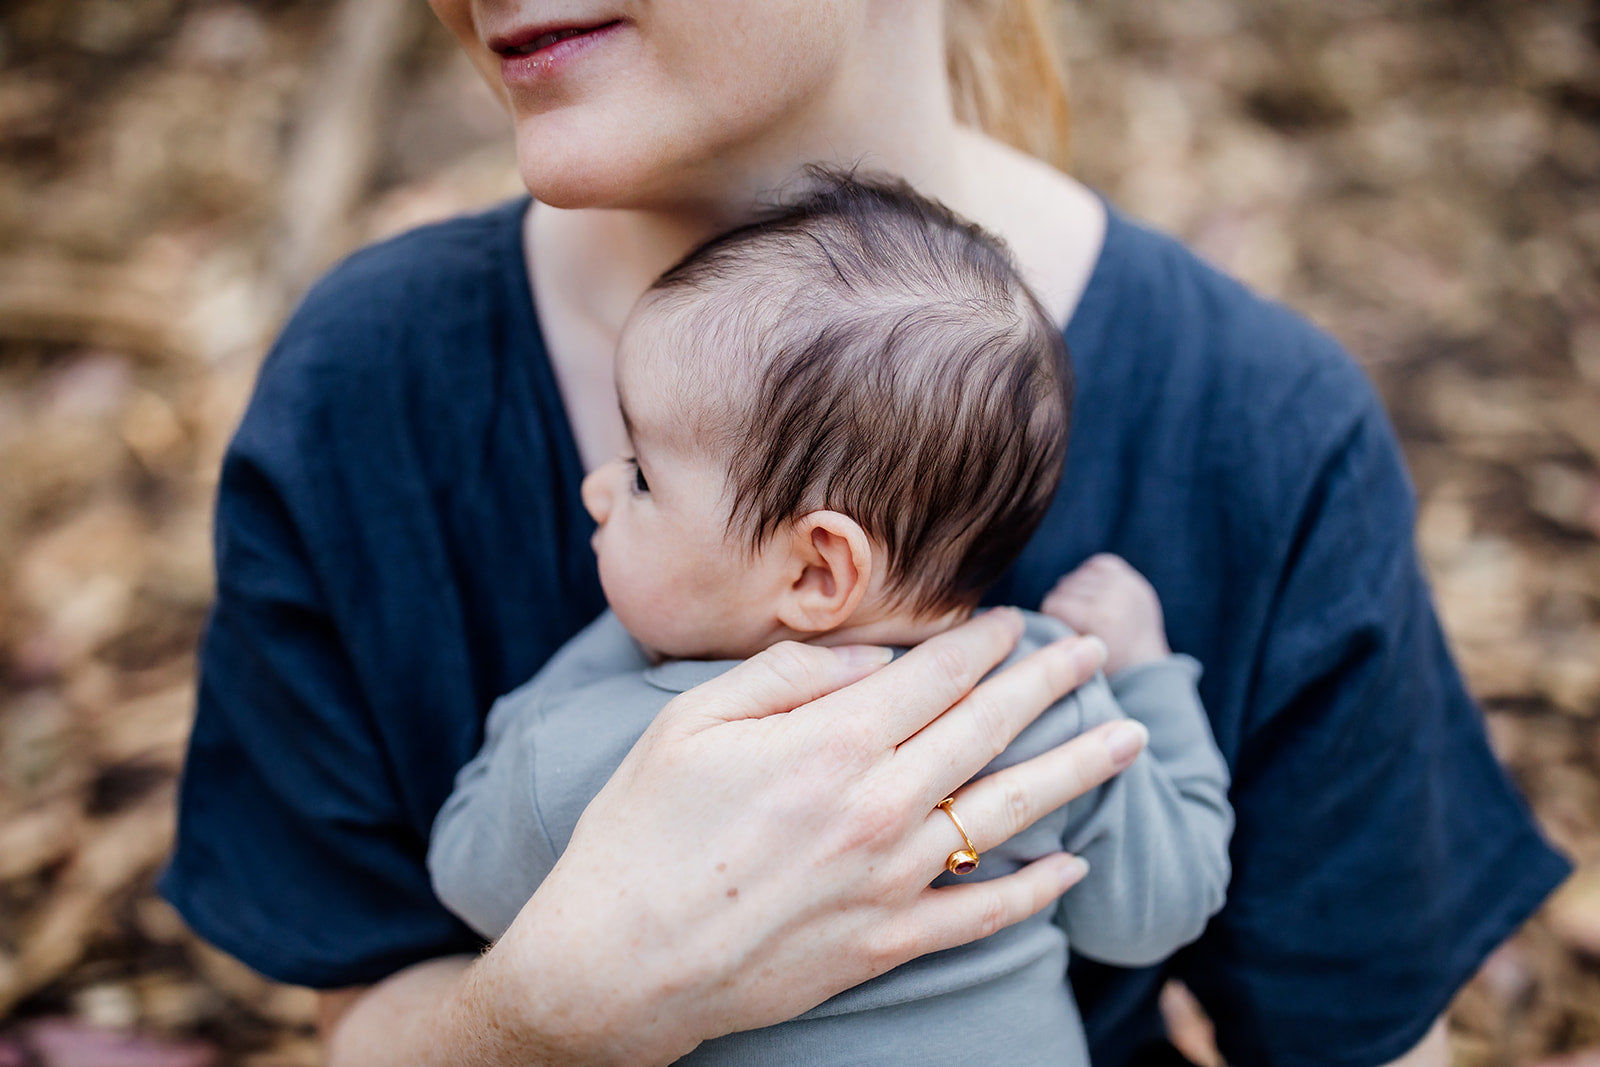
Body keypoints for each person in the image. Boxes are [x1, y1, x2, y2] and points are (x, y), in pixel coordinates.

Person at [160, 2, 1571, 1064]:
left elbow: (1365, 1039)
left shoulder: (1263, 426)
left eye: (646, 477)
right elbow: (365, 1002)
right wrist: (547, 1012)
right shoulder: (368, 378)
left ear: (821, 561)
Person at [425, 174, 1234, 1066]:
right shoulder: (1046, 705)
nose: (600, 487)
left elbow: (468, 874)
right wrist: (1149, 677)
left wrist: (614, 646)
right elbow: (1161, 908)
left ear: (818, 569)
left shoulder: (608, 752)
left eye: (644, 476)